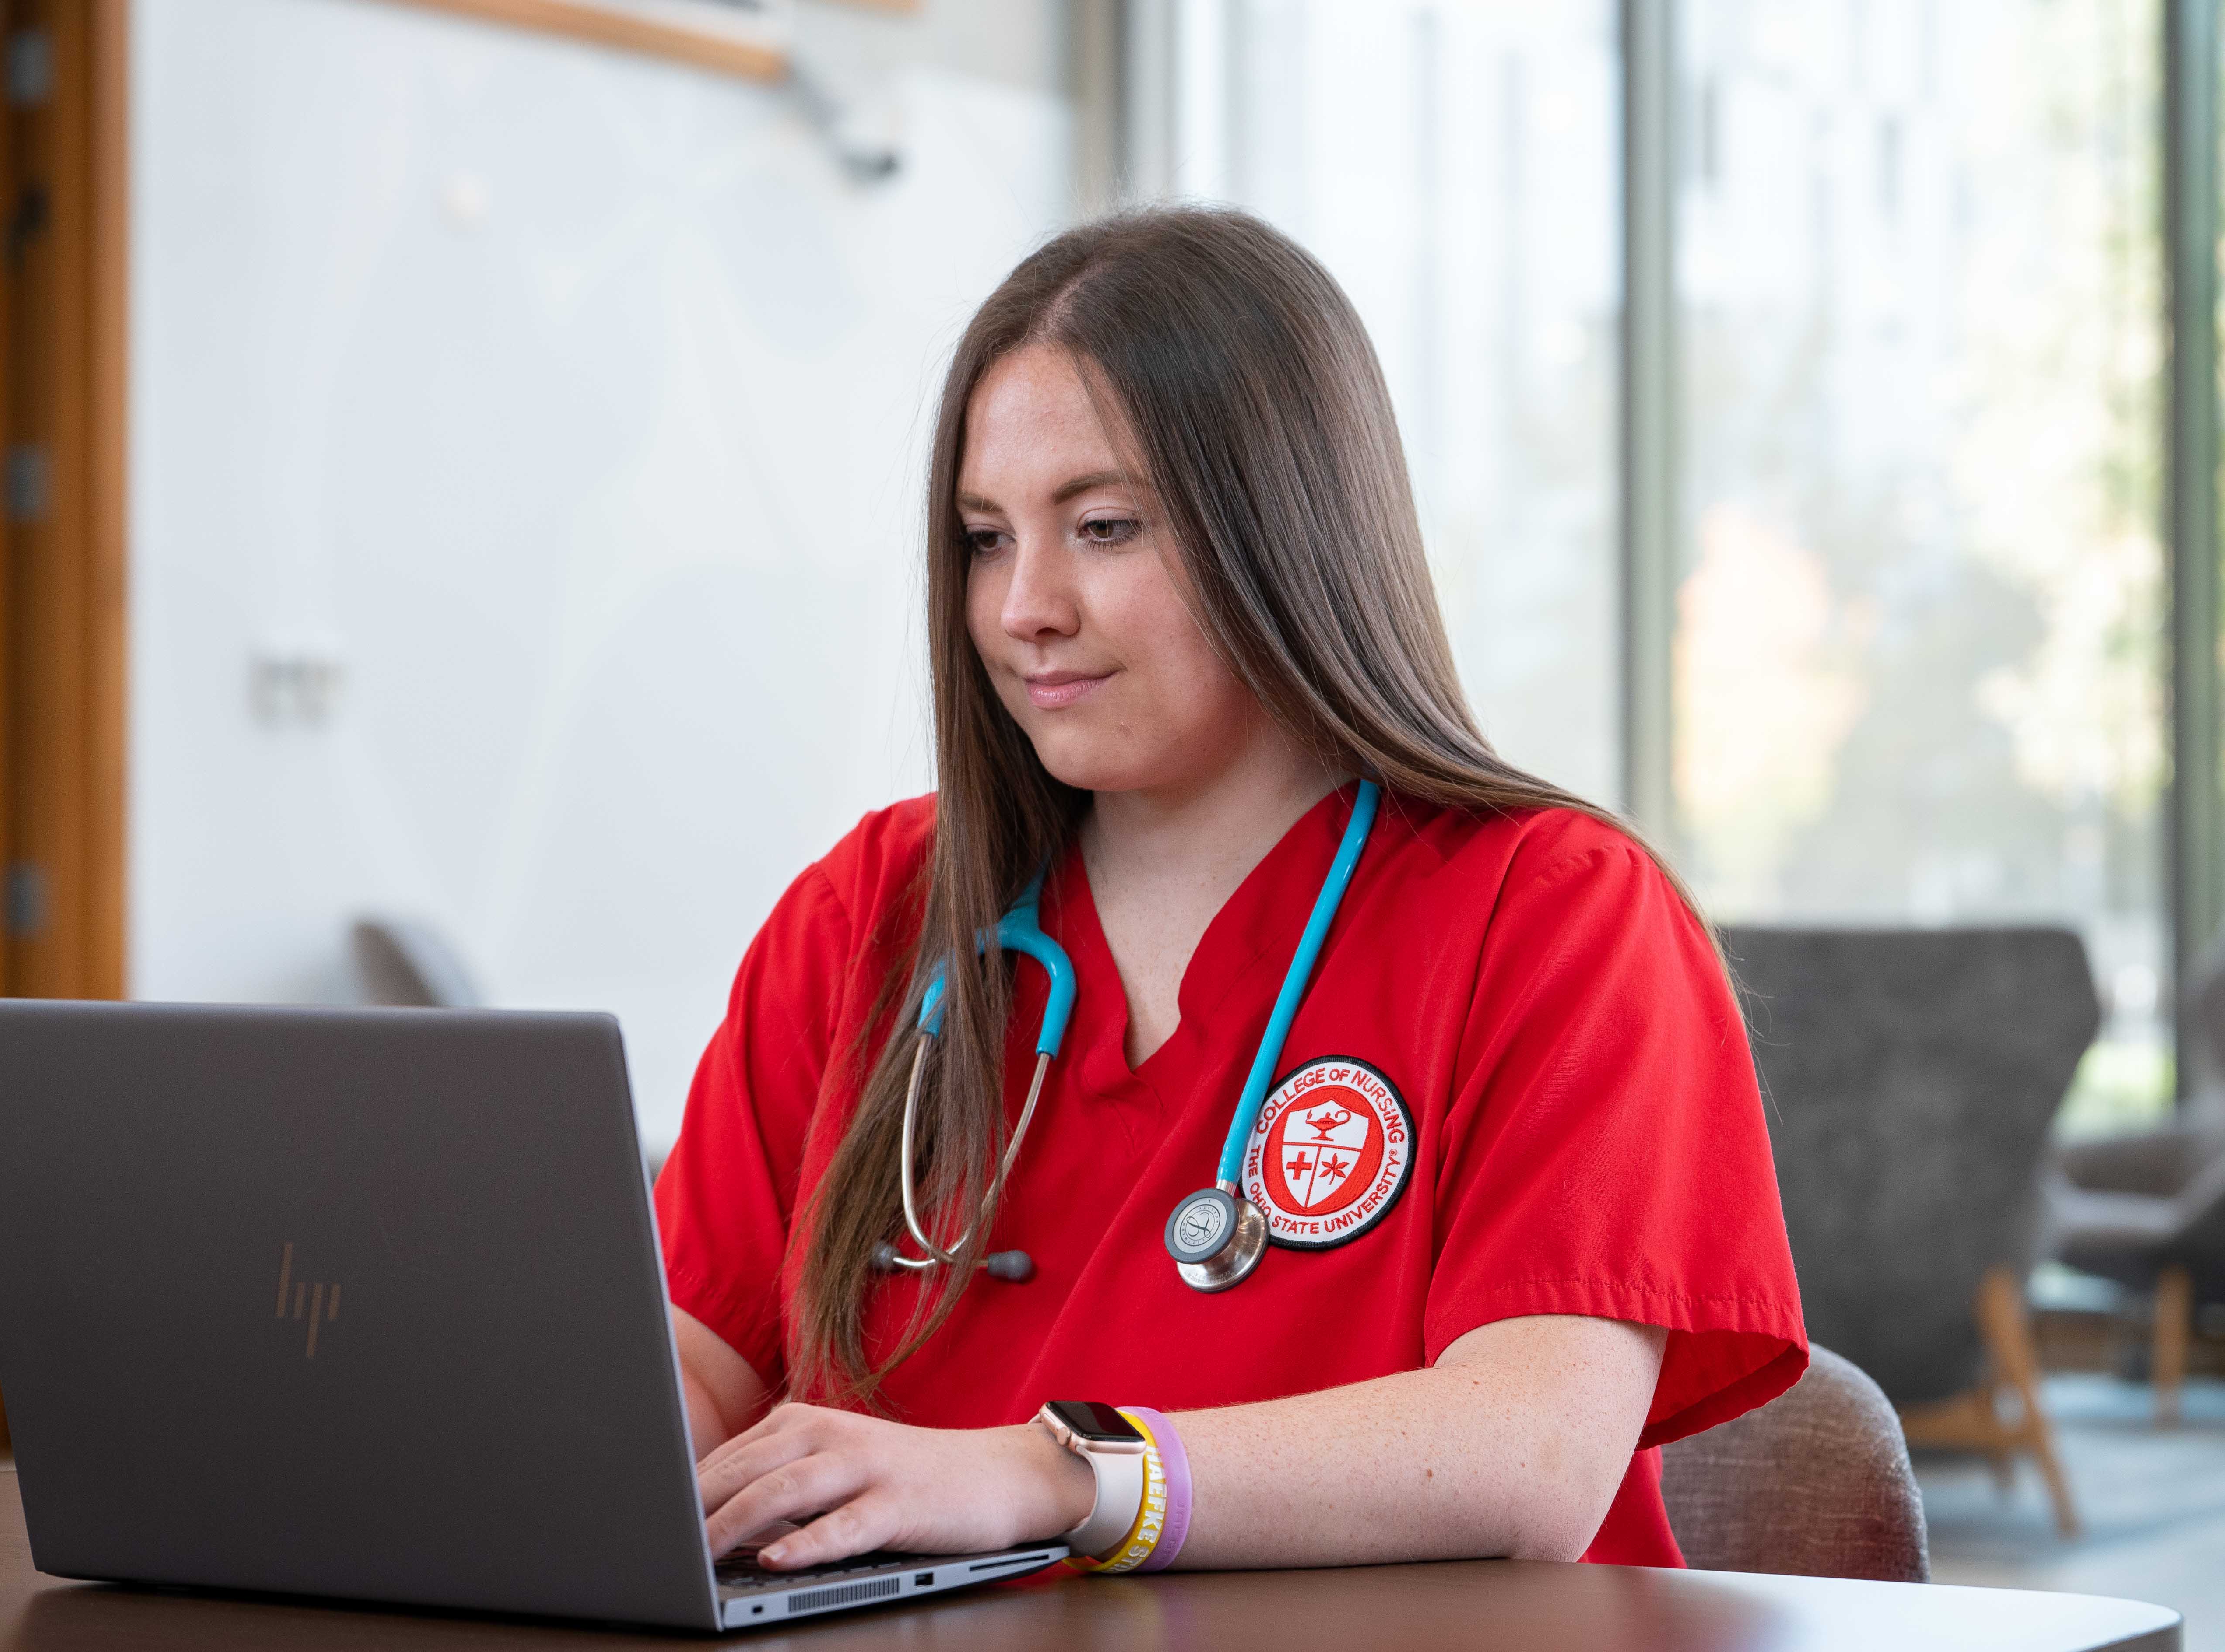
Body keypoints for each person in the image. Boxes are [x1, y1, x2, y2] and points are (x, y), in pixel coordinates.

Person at [653, 207, 1806, 1576]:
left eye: (1100, 526)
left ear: (1285, 528)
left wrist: (1051, 1474)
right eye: (982, 537)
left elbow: (1532, 1458)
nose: (1024, 605)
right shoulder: (872, 917)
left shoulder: (1557, 915)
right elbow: (686, 1369)